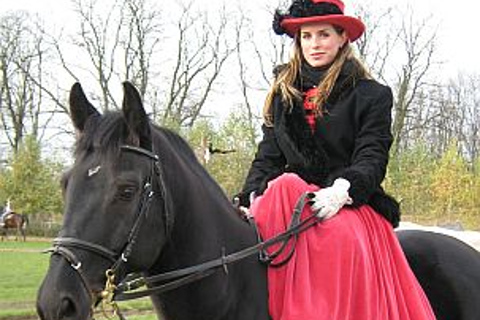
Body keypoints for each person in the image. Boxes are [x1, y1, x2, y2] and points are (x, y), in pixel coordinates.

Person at [234, 0, 436, 319]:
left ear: (342, 38)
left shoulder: (372, 94)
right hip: (291, 200)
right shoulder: (282, 95)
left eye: (324, 34)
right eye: (307, 36)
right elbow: (268, 157)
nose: (315, 44)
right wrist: (246, 197)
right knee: (272, 202)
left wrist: (343, 190)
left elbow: (372, 155)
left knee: (335, 237)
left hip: (347, 201)